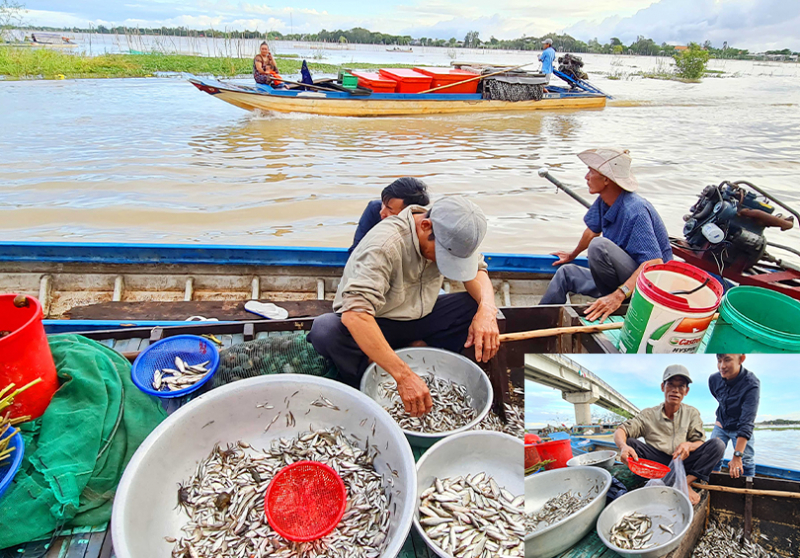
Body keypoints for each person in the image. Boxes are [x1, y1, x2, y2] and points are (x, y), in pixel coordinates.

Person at [308, 196, 500, 417]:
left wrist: (487, 310)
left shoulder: (455, 234)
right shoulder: (383, 245)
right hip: (376, 322)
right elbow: (356, 315)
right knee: (326, 330)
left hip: (420, 316)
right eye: (443, 255)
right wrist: (404, 376)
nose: (444, 262)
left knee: (474, 305)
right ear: (425, 226)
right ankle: (371, 372)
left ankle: (419, 350)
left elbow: (477, 272)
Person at [539, 148, 673, 323]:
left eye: (591, 172)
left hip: (649, 288)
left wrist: (618, 295)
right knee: (566, 273)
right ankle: (539, 322)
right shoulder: (605, 201)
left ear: (606, 179)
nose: (586, 177)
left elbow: (654, 263)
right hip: (620, 279)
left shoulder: (636, 210)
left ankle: (618, 300)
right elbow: (591, 231)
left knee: (599, 246)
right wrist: (572, 255)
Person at [614, 365, 725, 505]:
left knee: (718, 445)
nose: (675, 390)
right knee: (630, 442)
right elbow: (621, 430)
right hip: (656, 464)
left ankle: (685, 483)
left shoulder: (692, 413)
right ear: (663, 387)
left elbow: (700, 443)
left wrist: (689, 445)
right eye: (671, 384)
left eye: (681, 386)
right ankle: (655, 478)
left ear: (686, 391)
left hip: (683, 463)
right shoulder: (648, 414)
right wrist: (623, 446)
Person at [709, 354, 760, 478]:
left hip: (740, 426)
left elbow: (747, 421)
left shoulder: (751, 384)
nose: (722, 366)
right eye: (719, 361)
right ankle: (714, 482)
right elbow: (720, 400)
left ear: (741, 359)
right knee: (712, 458)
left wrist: (737, 456)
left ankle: (748, 487)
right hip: (721, 424)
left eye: (727, 360)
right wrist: (720, 419)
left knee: (746, 460)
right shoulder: (714, 379)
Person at [349, 177, 430, 254]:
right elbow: (356, 250)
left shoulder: (425, 225)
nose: (382, 212)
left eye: (390, 210)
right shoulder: (375, 209)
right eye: (383, 204)